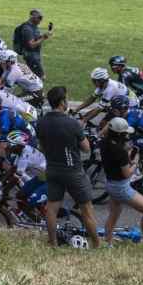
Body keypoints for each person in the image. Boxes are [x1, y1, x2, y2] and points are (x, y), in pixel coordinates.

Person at [36, 86, 100, 248]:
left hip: (52, 169)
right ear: (62, 102)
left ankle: (53, 243)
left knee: (51, 208)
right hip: (73, 171)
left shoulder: (41, 122)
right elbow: (86, 148)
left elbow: (41, 147)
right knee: (87, 209)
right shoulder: (72, 123)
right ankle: (97, 244)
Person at [100, 117, 143, 244]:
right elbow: (127, 173)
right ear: (119, 134)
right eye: (125, 133)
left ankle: (108, 242)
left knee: (114, 214)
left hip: (110, 184)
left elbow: (117, 161)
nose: (127, 135)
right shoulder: (120, 151)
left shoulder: (104, 142)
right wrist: (136, 162)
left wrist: (128, 156)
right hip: (121, 188)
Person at [13, 9, 51, 78]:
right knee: (41, 76)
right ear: (32, 17)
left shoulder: (33, 26)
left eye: (41, 18)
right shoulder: (27, 29)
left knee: (35, 76)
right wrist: (43, 38)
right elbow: (31, 45)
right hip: (31, 56)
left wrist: (42, 36)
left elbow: (34, 38)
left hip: (34, 54)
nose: (41, 20)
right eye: (39, 18)